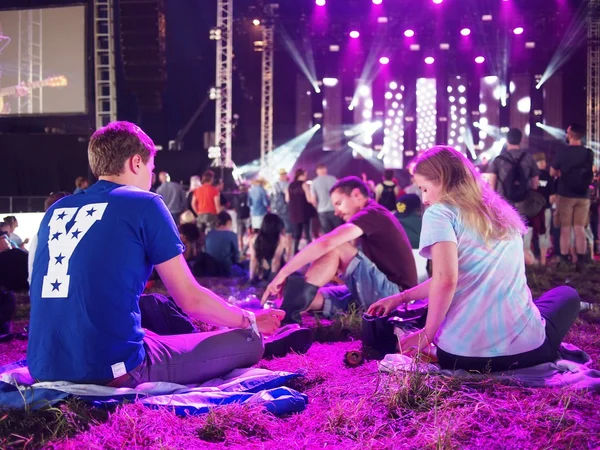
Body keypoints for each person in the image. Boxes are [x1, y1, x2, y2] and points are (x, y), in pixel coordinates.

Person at [27, 121, 286, 387]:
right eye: (150, 169)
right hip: (110, 369)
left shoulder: (57, 209)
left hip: (42, 365)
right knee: (249, 341)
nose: (150, 179)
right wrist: (248, 319)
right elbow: (190, 299)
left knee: (151, 315)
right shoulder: (145, 203)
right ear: (136, 162)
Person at [367, 146, 581, 373]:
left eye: (425, 189)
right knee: (567, 295)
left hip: (459, 355)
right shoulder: (499, 213)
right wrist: (401, 297)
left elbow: (446, 279)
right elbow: (449, 278)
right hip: (527, 352)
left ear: (442, 180)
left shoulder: (440, 212)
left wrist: (427, 335)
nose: (425, 199)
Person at [262, 176, 418, 325]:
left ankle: (288, 318)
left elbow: (326, 243)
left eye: (338, 203)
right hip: (382, 293)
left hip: (396, 298)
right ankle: (282, 313)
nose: (336, 212)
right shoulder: (373, 217)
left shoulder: (372, 213)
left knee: (337, 246)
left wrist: (283, 274)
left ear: (356, 194)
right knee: (312, 297)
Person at [487, 128, 540, 264]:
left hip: (503, 204)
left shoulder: (499, 160)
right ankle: (525, 263)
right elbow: (535, 184)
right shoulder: (528, 158)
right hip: (524, 202)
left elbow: (492, 186)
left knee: (505, 234)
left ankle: (507, 263)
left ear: (507, 140)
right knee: (522, 232)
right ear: (521, 140)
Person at [551, 124, 595, 269]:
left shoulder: (563, 151)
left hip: (565, 194)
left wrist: (561, 174)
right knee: (579, 228)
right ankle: (581, 260)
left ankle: (564, 260)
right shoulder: (588, 153)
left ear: (570, 134)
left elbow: (552, 172)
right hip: (583, 195)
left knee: (565, 229)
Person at [249, 213, 287, 282]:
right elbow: (276, 261)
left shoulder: (254, 238)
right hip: (276, 273)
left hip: (262, 272)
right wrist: (272, 282)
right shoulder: (280, 239)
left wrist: (251, 279)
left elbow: (253, 259)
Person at [533, 153, 554, 265]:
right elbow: (552, 197)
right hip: (544, 209)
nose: (545, 164)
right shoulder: (548, 177)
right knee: (543, 233)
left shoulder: (529, 175)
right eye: (543, 162)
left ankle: (530, 261)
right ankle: (543, 261)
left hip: (531, 211)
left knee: (529, 233)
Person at [205, 211, 241, 277]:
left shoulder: (209, 234)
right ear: (229, 222)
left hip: (209, 268)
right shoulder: (231, 235)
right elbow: (236, 255)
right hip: (225, 269)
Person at [287, 169, 313, 255]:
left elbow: (287, 199)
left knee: (297, 232)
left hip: (294, 211)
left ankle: (295, 251)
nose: (306, 176)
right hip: (304, 210)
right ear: (301, 175)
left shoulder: (290, 185)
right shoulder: (304, 184)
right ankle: (309, 251)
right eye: (305, 174)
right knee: (307, 232)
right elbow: (309, 199)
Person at [310, 164, 341, 234]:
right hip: (334, 209)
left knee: (327, 234)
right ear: (325, 170)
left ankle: (332, 245)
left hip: (322, 210)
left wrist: (317, 207)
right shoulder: (333, 179)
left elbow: (313, 200)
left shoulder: (314, 182)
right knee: (338, 232)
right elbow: (340, 194)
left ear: (317, 171)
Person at [271, 169, 294, 259]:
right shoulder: (288, 185)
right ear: (285, 175)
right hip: (286, 211)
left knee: (279, 232)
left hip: (276, 211)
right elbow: (288, 199)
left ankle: (279, 252)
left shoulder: (275, 185)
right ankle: (288, 254)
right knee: (288, 232)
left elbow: (272, 198)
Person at [233, 183, 251, 253]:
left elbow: (235, 208)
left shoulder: (236, 197)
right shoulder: (248, 196)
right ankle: (247, 249)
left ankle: (241, 250)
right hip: (247, 217)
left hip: (239, 217)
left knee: (239, 235)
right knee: (250, 234)